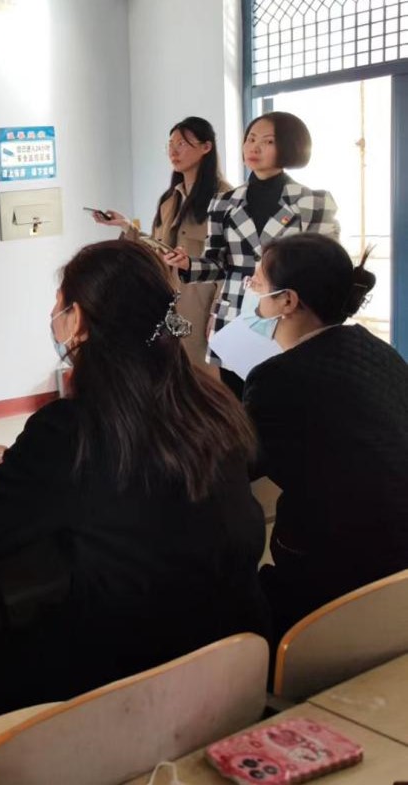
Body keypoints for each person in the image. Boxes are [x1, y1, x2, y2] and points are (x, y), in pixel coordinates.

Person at [0, 240, 269, 711]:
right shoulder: (211, 405)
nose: (53, 316)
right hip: (236, 658)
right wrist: (24, 469)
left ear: (77, 319)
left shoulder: (70, 428)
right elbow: (135, 479)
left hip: (132, 678)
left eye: (59, 304)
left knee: (0, 659)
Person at [242, 233, 408, 636]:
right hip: (397, 572)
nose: (252, 291)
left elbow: (237, 464)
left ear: (288, 301)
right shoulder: (379, 351)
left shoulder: (277, 379)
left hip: (331, 577)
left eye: (258, 283)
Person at [163, 111, 339, 395]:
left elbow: (326, 266)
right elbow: (217, 263)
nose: (254, 148)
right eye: (250, 139)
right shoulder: (224, 202)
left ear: (289, 146)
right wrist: (188, 264)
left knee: (286, 399)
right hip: (235, 318)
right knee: (236, 399)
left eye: (267, 141)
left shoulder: (312, 202)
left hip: (289, 316)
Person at [94, 116, 230, 365]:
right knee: (172, 367)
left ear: (206, 147)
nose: (173, 152)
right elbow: (158, 248)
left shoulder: (226, 198)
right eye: (170, 144)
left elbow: (232, 260)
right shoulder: (169, 200)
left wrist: (219, 311)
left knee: (203, 372)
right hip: (168, 298)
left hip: (203, 303)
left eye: (182, 144)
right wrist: (126, 225)